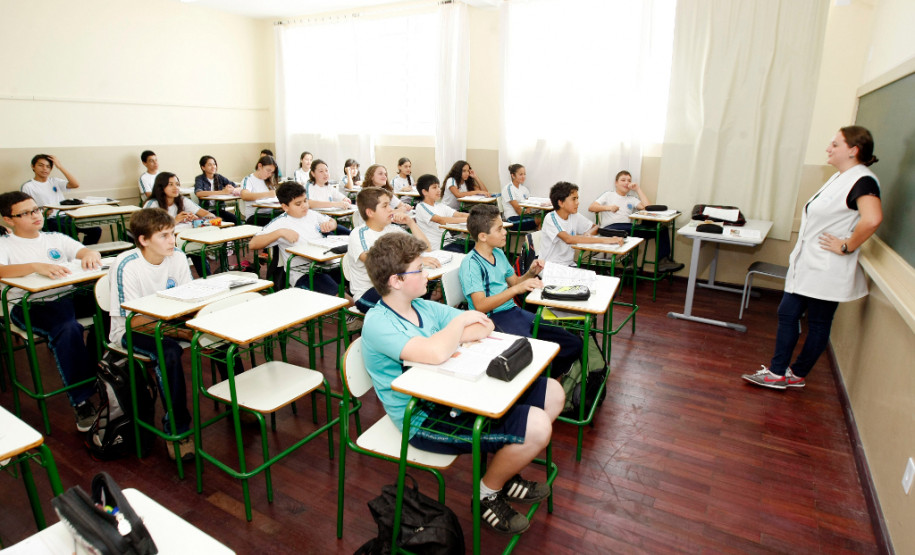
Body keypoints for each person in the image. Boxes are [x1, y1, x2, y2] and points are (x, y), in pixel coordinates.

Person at [361, 232, 563, 536]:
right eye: (420, 269)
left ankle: (504, 473)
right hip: (420, 417)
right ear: (396, 280)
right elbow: (437, 349)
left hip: (452, 396)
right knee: (537, 428)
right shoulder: (378, 322)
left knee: (553, 394)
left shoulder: (423, 307)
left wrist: (451, 336)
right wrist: (454, 329)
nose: (428, 274)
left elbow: (483, 324)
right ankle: (487, 494)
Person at [743, 126, 883, 390]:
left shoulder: (863, 180)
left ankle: (783, 374)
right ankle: (789, 373)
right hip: (812, 264)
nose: (828, 148)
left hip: (827, 267)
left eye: (835, 144)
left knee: (811, 320)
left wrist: (846, 246)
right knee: (794, 315)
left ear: (853, 150)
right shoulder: (842, 176)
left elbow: (873, 218)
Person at [0, 191, 103, 432]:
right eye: (24, 213)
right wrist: (36, 266)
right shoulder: (5, 244)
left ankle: (98, 366)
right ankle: (81, 400)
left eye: (35, 210)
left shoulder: (55, 237)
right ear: (8, 219)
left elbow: (86, 251)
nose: (35, 216)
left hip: (65, 297)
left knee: (108, 304)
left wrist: (90, 255)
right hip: (29, 305)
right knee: (68, 329)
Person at [109, 209, 197, 460]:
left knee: (218, 333)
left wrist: (200, 324)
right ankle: (178, 429)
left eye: (173, 234)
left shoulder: (177, 256)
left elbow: (190, 299)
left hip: (168, 320)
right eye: (164, 236)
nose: (173, 241)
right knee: (168, 350)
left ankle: (239, 405)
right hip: (131, 329)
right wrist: (184, 333)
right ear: (143, 240)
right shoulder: (127, 265)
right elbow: (134, 322)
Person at [461, 204, 582, 377]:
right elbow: (480, 306)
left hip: (514, 312)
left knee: (572, 342)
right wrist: (516, 289)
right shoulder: (471, 264)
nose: (505, 232)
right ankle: (542, 382)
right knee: (534, 354)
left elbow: (515, 281)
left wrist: (531, 273)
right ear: (483, 236)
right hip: (493, 319)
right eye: (500, 229)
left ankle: (551, 377)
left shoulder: (499, 254)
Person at [345, 187, 437, 313]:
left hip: (396, 284)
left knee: (421, 289)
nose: (390, 209)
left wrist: (410, 223)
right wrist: (417, 261)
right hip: (369, 291)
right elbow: (375, 263)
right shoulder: (358, 234)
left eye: (389, 205)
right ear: (370, 212)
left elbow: (427, 248)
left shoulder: (393, 229)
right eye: (385, 206)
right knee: (411, 304)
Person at [248, 181, 340, 296]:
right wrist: (280, 233)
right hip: (303, 272)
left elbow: (332, 221)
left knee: (356, 278)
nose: (304, 205)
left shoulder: (312, 214)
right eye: (298, 204)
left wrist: (331, 224)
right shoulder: (281, 222)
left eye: (305, 201)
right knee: (342, 298)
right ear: (285, 207)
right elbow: (253, 244)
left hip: (326, 264)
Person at [588, 170, 683, 273]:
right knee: (643, 229)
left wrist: (638, 189)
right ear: (616, 183)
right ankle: (629, 262)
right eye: (623, 180)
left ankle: (663, 261)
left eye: (629, 180)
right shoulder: (608, 195)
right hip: (610, 228)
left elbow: (649, 208)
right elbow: (592, 207)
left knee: (661, 229)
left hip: (627, 229)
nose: (626, 183)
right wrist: (608, 207)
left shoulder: (631, 199)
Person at [21, 154, 101, 245]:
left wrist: (60, 166)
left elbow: (75, 184)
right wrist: (43, 213)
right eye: (40, 165)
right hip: (49, 219)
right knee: (69, 235)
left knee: (95, 230)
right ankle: (79, 254)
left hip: (67, 216)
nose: (44, 169)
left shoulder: (54, 181)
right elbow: (27, 209)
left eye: (48, 166)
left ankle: (84, 251)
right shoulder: (28, 186)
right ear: (33, 166)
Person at [144, 172, 214, 276]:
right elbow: (147, 228)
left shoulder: (182, 200)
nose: (175, 187)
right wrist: (174, 221)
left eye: (177, 184)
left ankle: (207, 279)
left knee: (196, 249)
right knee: (183, 255)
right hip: (160, 246)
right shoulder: (152, 204)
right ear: (161, 187)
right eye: (170, 184)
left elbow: (208, 215)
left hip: (181, 239)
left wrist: (198, 219)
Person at [539, 181, 623, 266]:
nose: (577, 202)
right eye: (573, 199)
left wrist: (587, 234)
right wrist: (608, 240)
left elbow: (594, 227)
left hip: (569, 265)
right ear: (561, 203)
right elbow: (569, 239)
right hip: (550, 267)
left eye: (577, 198)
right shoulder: (551, 218)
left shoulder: (574, 215)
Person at [414, 173, 469, 253]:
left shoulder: (440, 205)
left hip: (448, 242)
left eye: (438, 187)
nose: (439, 190)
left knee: (474, 246)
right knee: (465, 251)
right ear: (425, 192)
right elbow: (441, 220)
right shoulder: (421, 207)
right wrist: (469, 219)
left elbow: (459, 214)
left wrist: (477, 216)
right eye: (434, 187)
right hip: (437, 247)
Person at [306, 159, 352, 236]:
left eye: (326, 171)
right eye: (321, 171)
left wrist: (346, 200)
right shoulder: (310, 186)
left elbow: (343, 198)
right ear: (313, 173)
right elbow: (310, 204)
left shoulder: (328, 186)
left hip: (330, 222)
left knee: (351, 234)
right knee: (334, 240)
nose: (325, 174)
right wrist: (336, 204)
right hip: (317, 224)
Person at [194, 155, 238, 224]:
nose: (213, 167)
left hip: (220, 210)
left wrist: (231, 188)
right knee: (221, 221)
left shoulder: (219, 177)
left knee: (236, 220)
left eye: (214, 164)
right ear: (203, 167)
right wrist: (222, 192)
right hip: (207, 212)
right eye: (209, 165)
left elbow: (235, 186)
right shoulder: (200, 179)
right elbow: (199, 193)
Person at [239, 155, 278, 224]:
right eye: (268, 171)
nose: (269, 174)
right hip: (255, 216)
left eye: (272, 172)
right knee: (277, 223)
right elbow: (244, 195)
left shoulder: (268, 181)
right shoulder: (248, 179)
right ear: (260, 166)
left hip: (270, 213)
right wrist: (268, 194)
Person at [502, 163, 538, 232]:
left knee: (543, 220)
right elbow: (518, 210)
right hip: (512, 220)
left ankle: (534, 240)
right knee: (540, 221)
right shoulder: (509, 188)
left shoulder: (524, 189)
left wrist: (528, 210)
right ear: (513, 175)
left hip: (523, 216)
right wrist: (527, 211)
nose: (523, 176)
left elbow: (528, 206)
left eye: (524, 174)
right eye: (520, 174)